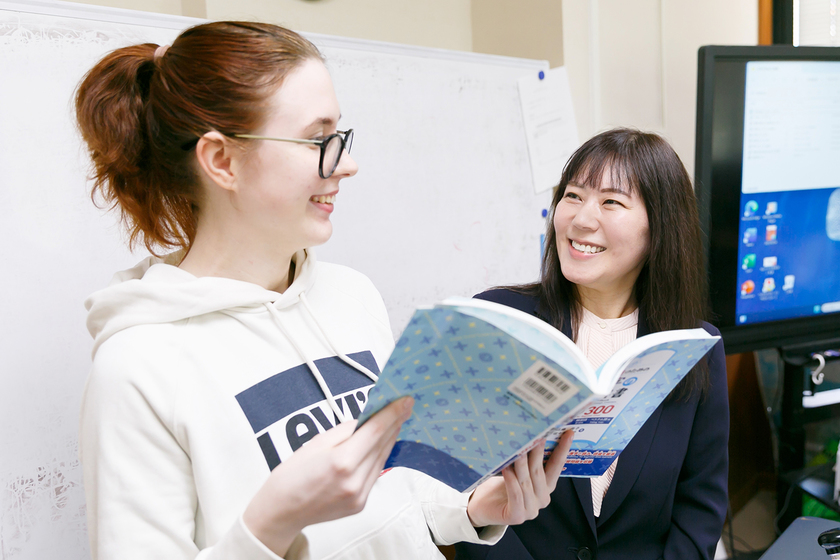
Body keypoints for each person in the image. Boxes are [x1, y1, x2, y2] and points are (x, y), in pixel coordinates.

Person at [75, 21, 574, 560]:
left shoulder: (350, 296)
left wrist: (471, 508)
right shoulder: (138, 367)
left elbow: (396, 489)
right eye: (318, 140)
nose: (348, 164)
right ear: (221, 161)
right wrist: (271, 523)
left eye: (341, 138)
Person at [454, 128, 729, 560]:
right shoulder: (498, 322)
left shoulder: (695, 348)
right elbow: (461, 491)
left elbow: (701, 508)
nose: (582, 219)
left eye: (611, 202)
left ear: (660, 226)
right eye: (573, 195)